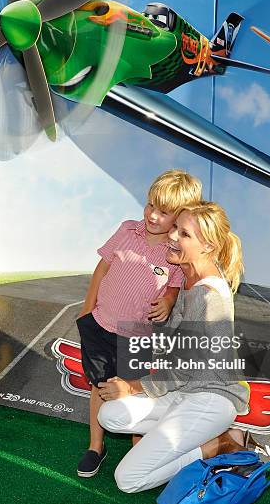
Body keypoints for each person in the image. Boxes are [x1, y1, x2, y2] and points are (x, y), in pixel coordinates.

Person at [97, 201, 251, 493]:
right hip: (181, 392)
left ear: (207, 246)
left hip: (211, 398)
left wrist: (132, 386)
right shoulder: (185, 278)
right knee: (110, 415)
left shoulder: (211, 298)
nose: (172, 237)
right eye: (176, 229)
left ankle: (215, 445)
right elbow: (169, 345)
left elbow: (186, 369)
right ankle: (183, 437)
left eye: (185, 235)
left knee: (128, 479)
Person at [76, 169, 203, 478]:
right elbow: (101, 269)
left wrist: (169, 301)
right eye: (150, 206)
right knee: (100, 386)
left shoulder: (174, 254)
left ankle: (137, 453)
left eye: (164, 212)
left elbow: (173, 286)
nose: (153, 216)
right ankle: (96, 446)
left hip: (137, 334)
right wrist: (86, 311)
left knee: (133, 392)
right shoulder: (126, 231)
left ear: (181, 218)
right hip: (101, 323)